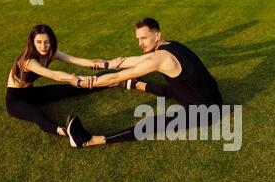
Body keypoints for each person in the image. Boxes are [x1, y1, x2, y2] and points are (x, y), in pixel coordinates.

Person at [66, 18, 223, 147]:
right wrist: (106, 64)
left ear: (157, 35)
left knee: (151, 123)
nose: (140, 43)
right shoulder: (171, 44)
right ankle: (135, 84)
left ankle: (88, 141)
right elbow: (139, 59)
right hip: (207, 96)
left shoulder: (160, 58)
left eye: (143, 38)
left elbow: (116, 77)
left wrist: (84, 83)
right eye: (138, 39)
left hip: (207, 112)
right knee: (171, 90)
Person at [6, 24, 105, 137]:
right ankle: (64, 131)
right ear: (32, 42)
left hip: (32, 94)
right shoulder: (28, 61)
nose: (43, 46)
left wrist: (95, 63)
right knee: (36, 114)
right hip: (15, 99)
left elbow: (72, 59)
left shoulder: (51, 53)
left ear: (51, 41)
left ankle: (113, 81)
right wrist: (76, 79)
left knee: (73, 89)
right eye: (39, 42)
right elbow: (53, 75)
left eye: (47, 42)